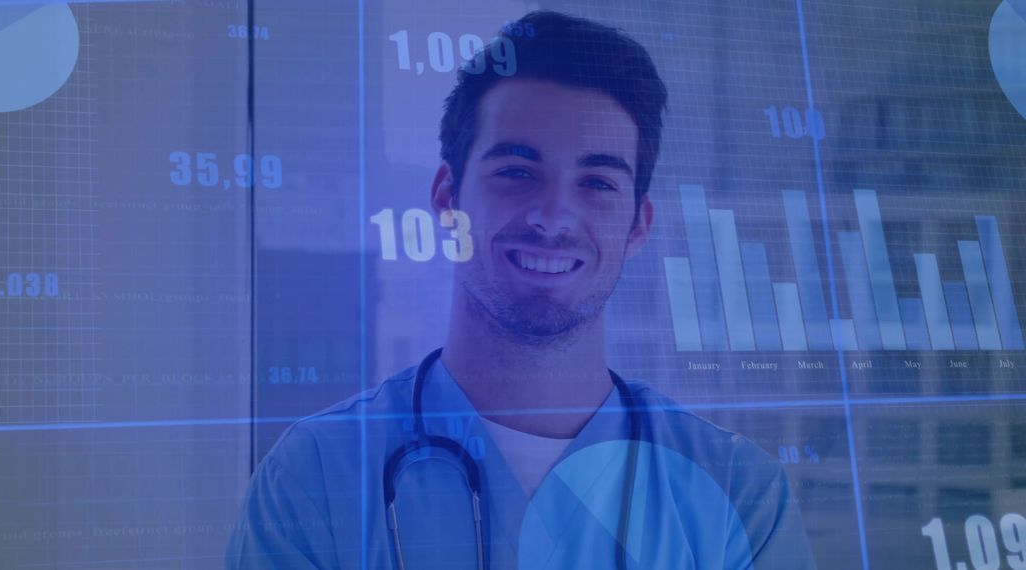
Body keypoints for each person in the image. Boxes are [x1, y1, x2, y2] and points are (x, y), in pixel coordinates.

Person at [227, 11, 817, 569]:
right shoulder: (317, 477)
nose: (554, 215)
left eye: (597, 182)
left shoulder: (739, 493)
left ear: (638, 224)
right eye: (516, 171)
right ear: (447, 198)